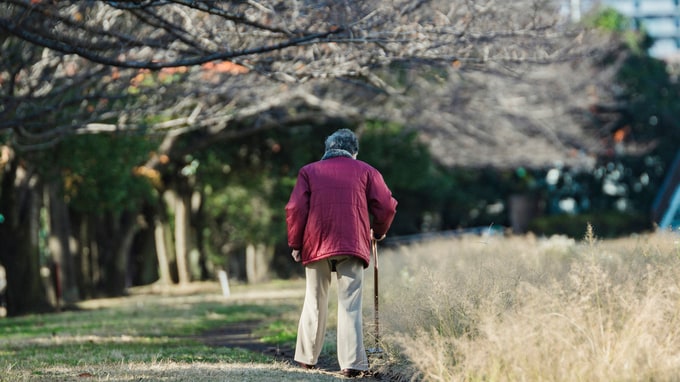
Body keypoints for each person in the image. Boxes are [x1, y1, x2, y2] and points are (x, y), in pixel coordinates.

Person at [285, 128, 398, 378]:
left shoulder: (309, 171)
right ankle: (352, 363)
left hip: (316, 244)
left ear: (327, 149)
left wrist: (295, 244)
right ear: (353, 151)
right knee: (350, 304)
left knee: (314, 300)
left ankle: (306, 359)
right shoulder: (367, 171)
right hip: (352, 244)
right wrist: (378, 232)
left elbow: (295, 209)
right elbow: (387, 205)